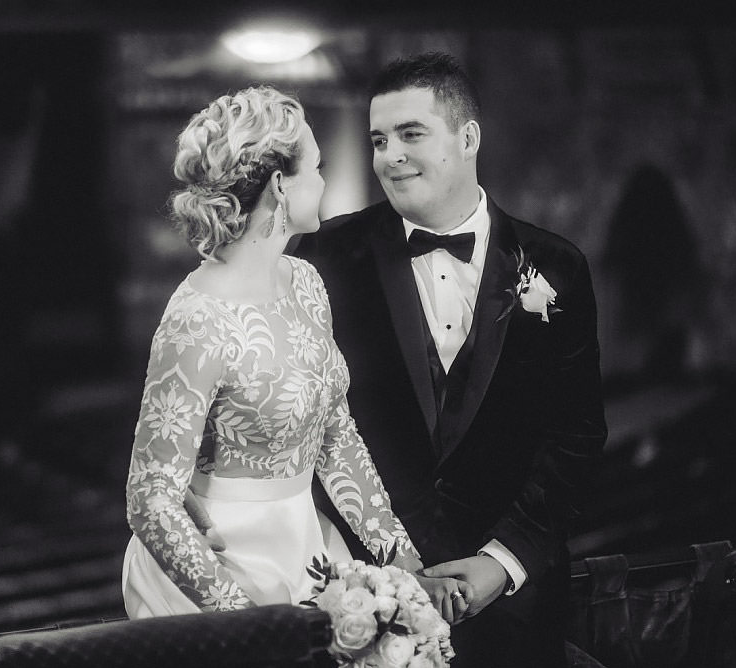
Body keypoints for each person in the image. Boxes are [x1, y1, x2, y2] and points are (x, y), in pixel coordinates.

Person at [295, 53, 607, 667]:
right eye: (379, 140)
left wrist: (504, 561)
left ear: (468, 138)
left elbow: (578, 435)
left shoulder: (557, 266)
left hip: (514, 605)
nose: (390, 156)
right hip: (367, 605)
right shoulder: (323, 260)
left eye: (412, 134)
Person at [121, 86, 468, 618]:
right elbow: (150, 500)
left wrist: (402, 561)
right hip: (219, 574)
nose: (326, 180)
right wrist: (247, 624)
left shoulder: (305, 282)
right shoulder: (197, 321)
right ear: (281, 186)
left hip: (306, 549)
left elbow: (336, 434)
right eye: (317, 166)